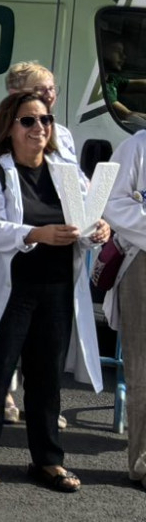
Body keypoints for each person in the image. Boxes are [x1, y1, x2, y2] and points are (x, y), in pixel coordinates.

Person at [0, 92, 106, 493]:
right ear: (9, 127)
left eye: (45, 120)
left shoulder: (65, 171)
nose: (39, 128)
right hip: (11, 288)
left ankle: (48, 459)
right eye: (28, 121)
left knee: (47, 376)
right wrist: (34, 233)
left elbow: (87, 220)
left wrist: (99, 229)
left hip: (57, 287)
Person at [103, 121, 146, 490]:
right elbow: (112, 203)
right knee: (143, 368)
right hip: (143, 262)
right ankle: (144, 463)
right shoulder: (138, 146)